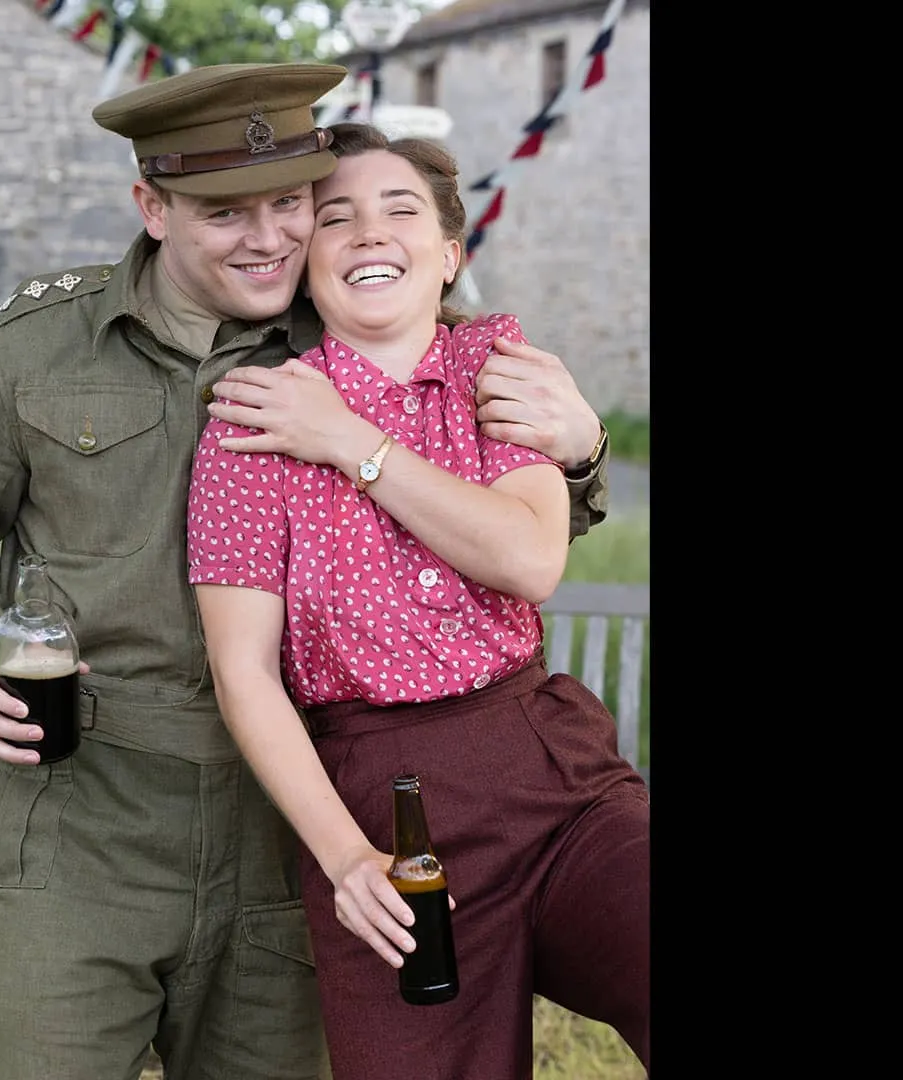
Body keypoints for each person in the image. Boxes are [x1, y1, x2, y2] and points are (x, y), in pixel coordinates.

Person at [0, 64, 617, 1080]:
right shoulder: (41, 344)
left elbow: (501, 513)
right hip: (90, 820)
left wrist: (581, 453)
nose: (269, 239)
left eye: (289, 204)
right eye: (225, 212)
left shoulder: (350, 324)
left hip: (297, 827)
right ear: (153, 207)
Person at [186, 121, 651, 1080]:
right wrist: (346, 859)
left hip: (547, 773)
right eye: (336, 218)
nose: (367, 233)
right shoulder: (253, 422)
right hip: (385, 815)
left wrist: (350, 442)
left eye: (400, 210)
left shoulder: (503, 373)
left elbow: (528, 559)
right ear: (306, 263)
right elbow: (244, 676)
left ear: (448, 254)